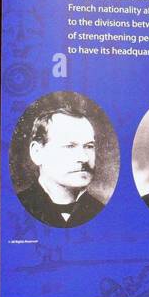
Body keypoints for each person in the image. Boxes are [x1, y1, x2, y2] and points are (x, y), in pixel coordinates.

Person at [16, 96, 107, 228]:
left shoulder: (101, 210)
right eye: (69, 146)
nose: (84, 158)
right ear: (37, 153)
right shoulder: (15, 208)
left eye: (89, 146)